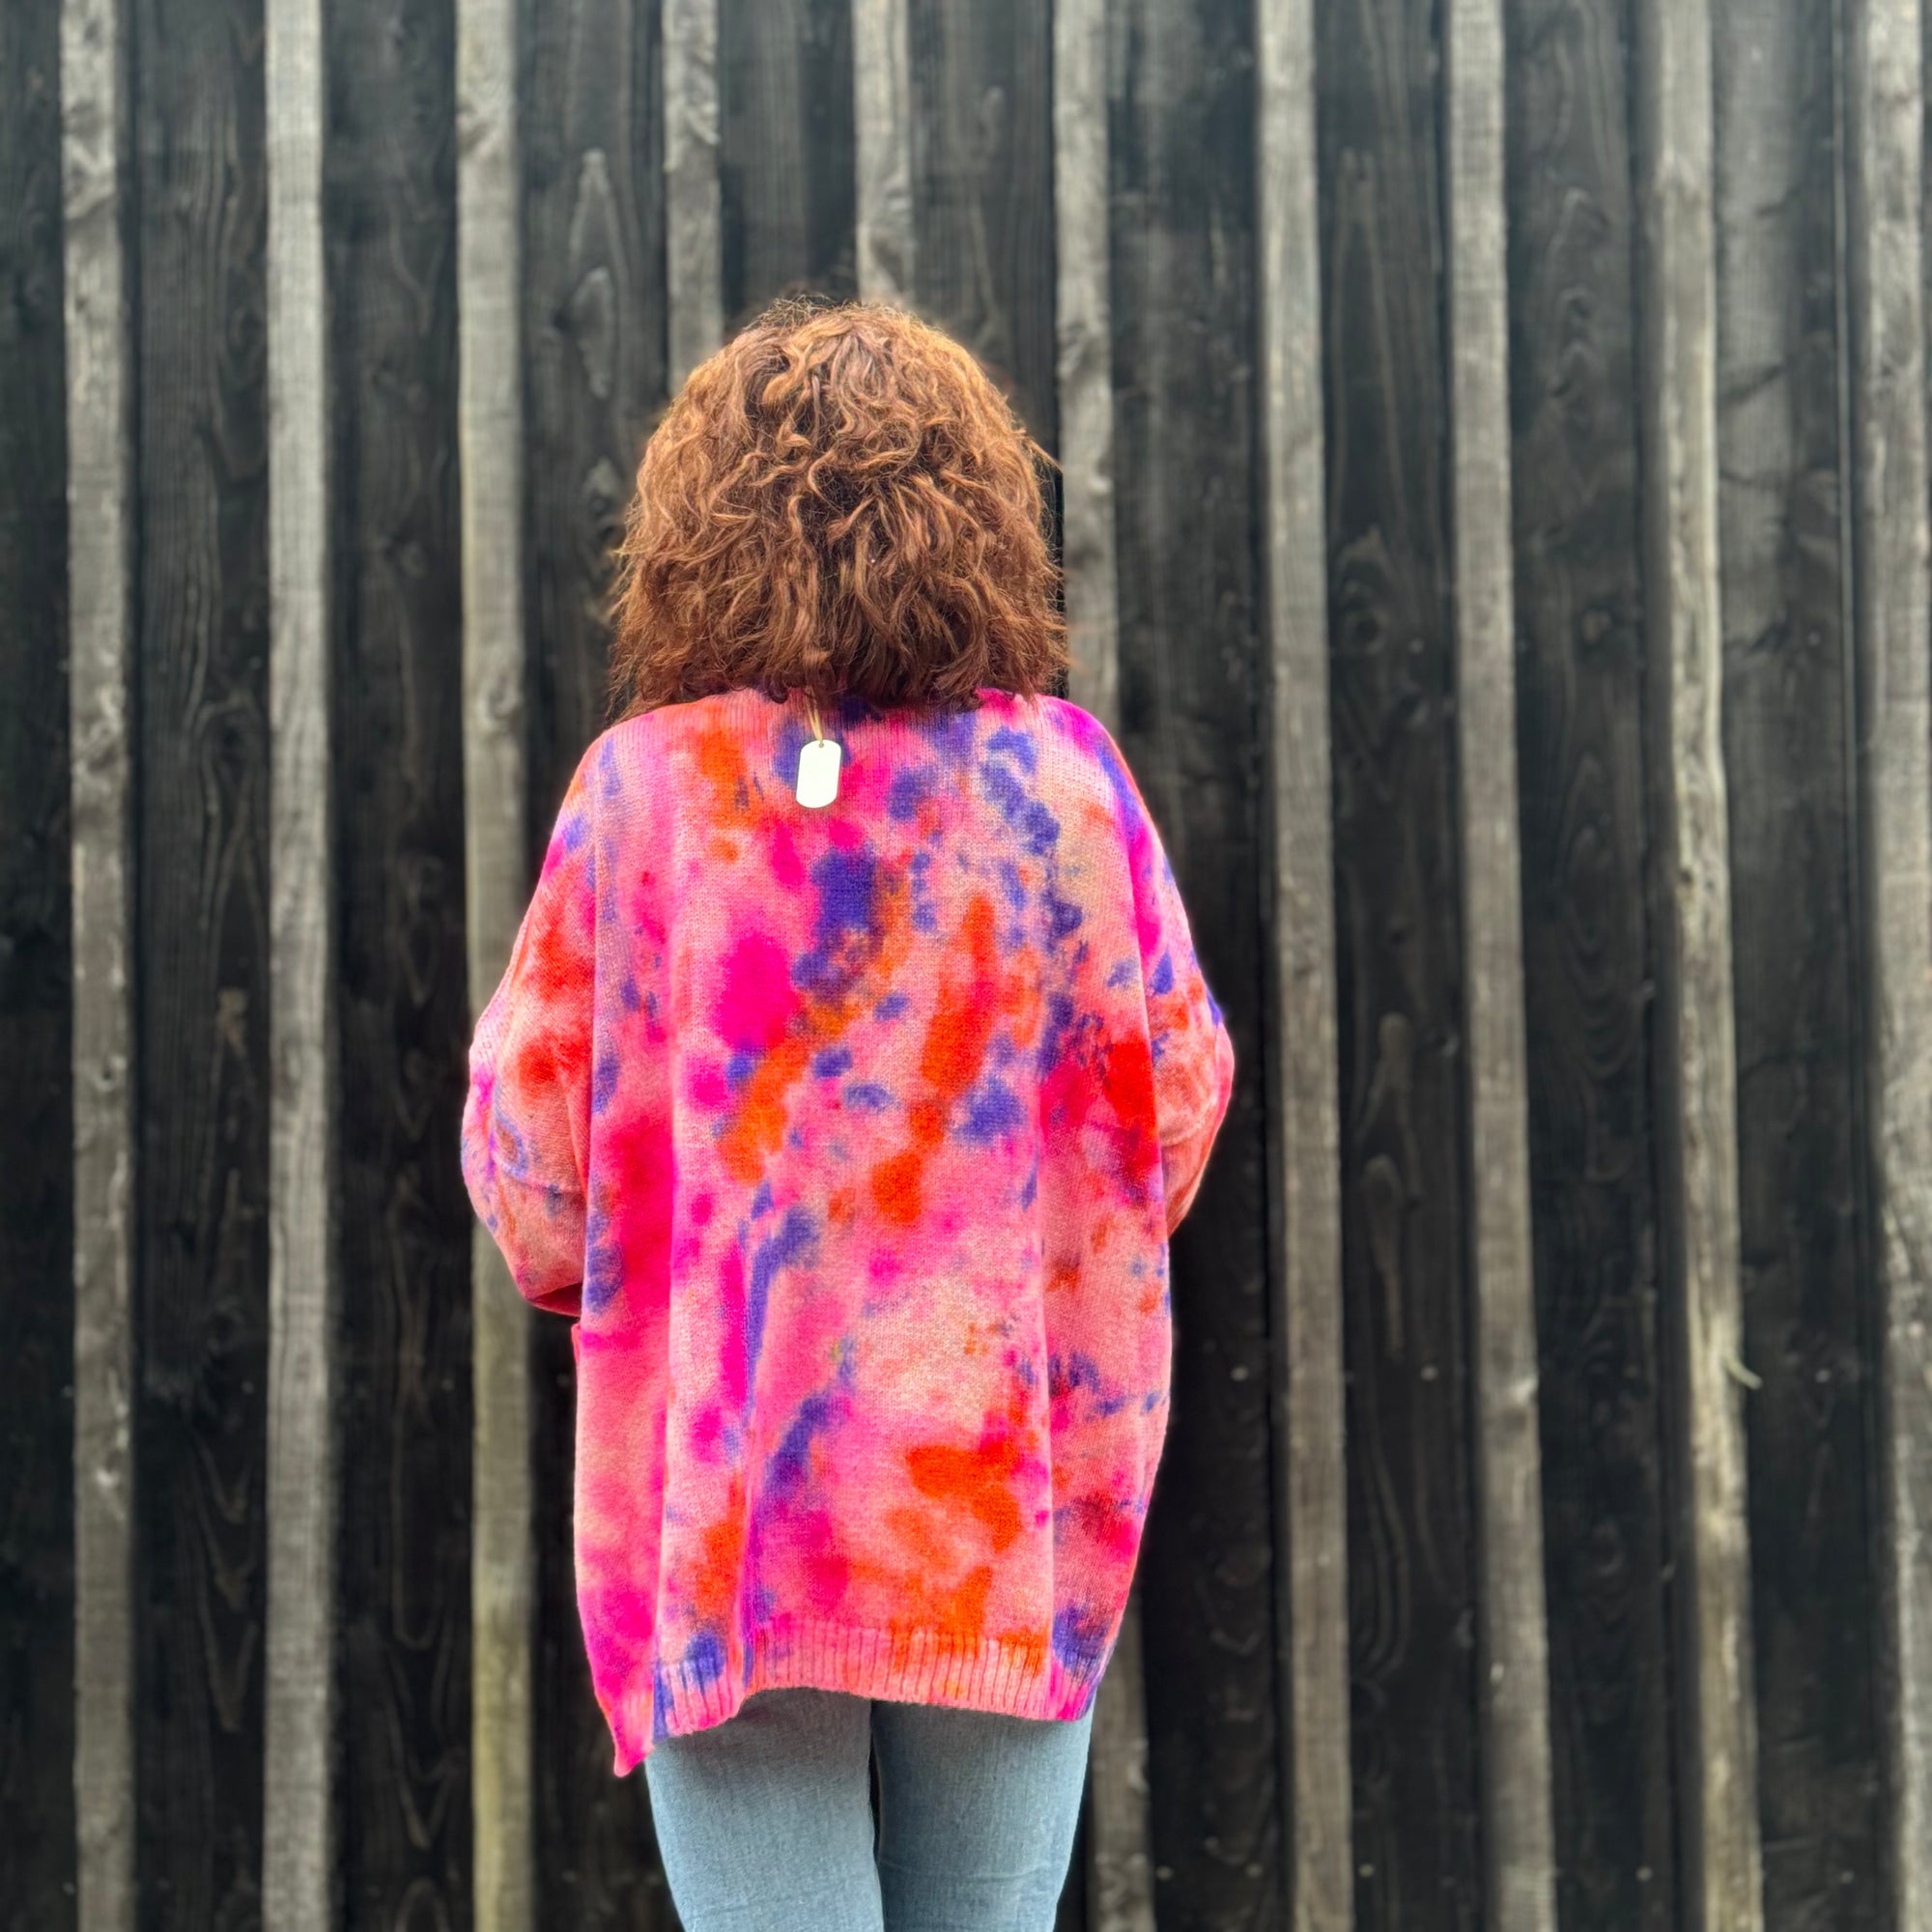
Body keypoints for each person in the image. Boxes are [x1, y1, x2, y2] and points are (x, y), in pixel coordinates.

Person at [461, 296, 1236, 1931]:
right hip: (999, 1512)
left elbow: (535, 1183)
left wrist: (693, 1261)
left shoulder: (643, 796)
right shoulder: (1065, 787)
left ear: (702, 534)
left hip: (729, 1519)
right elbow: (1170, 1119)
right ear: (977, 522)